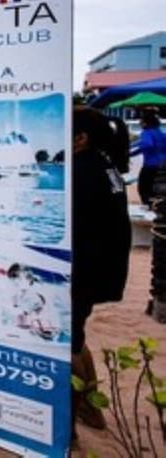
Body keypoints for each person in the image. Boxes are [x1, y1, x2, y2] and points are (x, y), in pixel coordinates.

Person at [71, 106, 131, 435]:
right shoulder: (104, 165)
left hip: (84, 268)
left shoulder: (82, 171)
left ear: (80, 138)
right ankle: (91, 410)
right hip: (100, 268)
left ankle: (68, 425)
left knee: (65, 344)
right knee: (75, 337)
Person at [130, 110, 166, 207]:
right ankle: (158, 206)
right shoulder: (160, 132)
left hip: (150, 165)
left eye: (141, 121)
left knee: (143, 188)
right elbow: (143, 144)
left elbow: (147, 145)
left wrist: (131, 153)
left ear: (145, 122)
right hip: (163, 165)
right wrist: (132, 150)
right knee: (156, 187)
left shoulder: (146, 132)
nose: (140, 123)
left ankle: (148, 206)